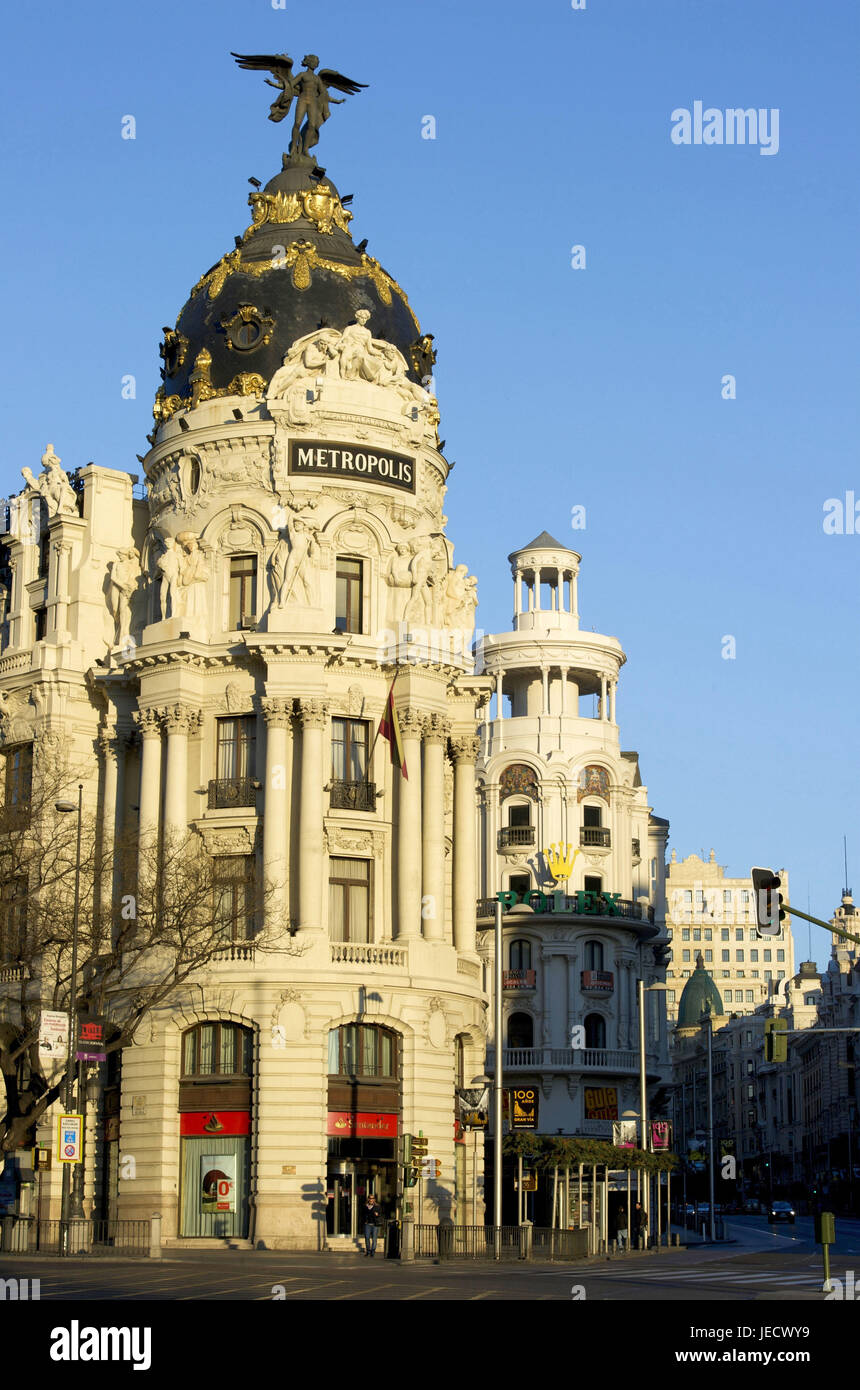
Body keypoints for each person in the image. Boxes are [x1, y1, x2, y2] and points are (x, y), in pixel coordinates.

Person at [363, 1193, 382, 1258]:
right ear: (368, 1199)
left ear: (374, 1199)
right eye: (370, 1198)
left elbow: (380, 1214)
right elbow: (362, 1214)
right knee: (367, 1238)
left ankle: (373, 1251)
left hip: (375, 1224)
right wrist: (364, 1221)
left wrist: (377, 1214)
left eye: (372, 1198)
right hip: (367, 1224)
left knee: (374, 1239)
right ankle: (368, 1251)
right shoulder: (365, 1206)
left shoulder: (377, 1206)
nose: (371, 1200)